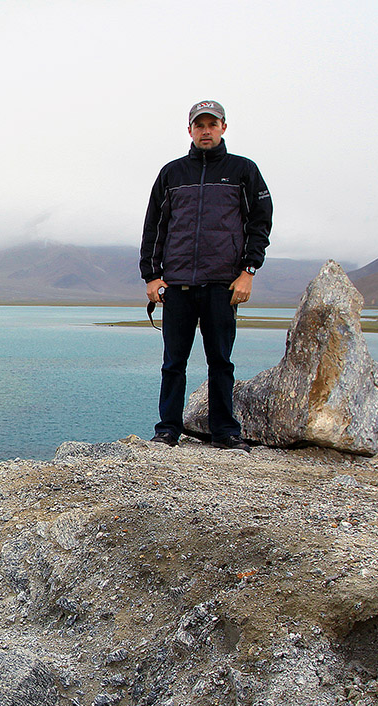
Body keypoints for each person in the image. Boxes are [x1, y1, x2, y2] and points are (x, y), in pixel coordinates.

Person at [139, 100, 273, 452]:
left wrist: (248, 272)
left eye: (212, 124)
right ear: (190, 131)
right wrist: (152, 277)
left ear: (224, 128)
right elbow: (154, 227)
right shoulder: (172, 174)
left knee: (221, 361)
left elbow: (260, 223)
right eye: (199, 125)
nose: (206, 131)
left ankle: (225, 432)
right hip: (178, 284)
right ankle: (167, 430)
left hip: (221, 284)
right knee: (173, 363)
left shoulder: (243, 171)